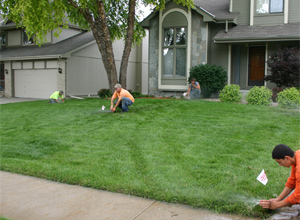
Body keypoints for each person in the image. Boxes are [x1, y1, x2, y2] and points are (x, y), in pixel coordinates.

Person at [259, 144, 300, 209]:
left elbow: (298, 197)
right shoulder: (296, 157)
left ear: (287, 158)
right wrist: (277, 199)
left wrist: (278, 205)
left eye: (280, 162)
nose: (280, 165)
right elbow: (292, 182)